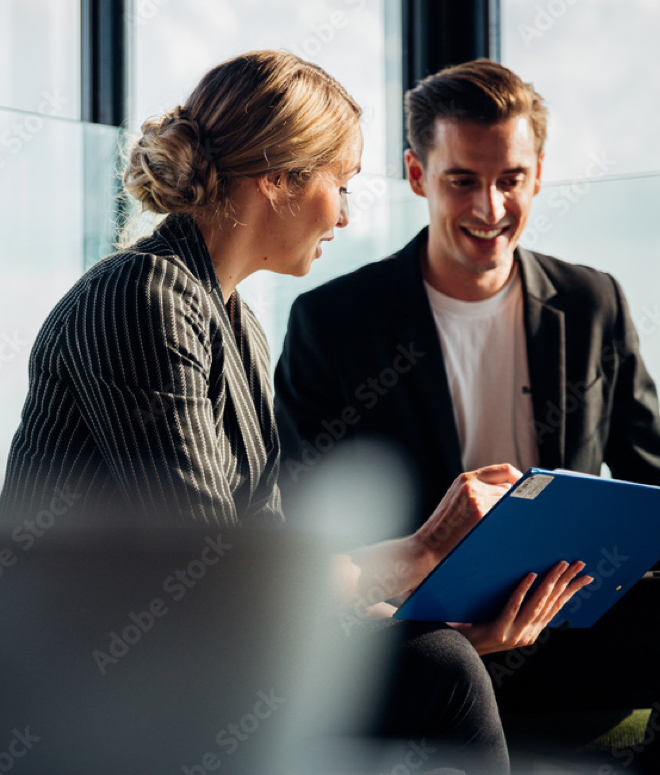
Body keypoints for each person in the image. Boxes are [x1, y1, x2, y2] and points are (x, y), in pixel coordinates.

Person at [0, 51, 591, 774]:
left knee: (440, 657)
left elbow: (271, 572)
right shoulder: (142, 298)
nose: (345, 213)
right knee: (438, 672)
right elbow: (220, 584)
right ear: (276, 179)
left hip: (191, 662)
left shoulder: (235, 325)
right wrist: (427, 547)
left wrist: (432, 610)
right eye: (339, 184)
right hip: (92, 687)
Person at [273, 58, 660, 766]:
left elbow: (651, 475)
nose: (490, 208)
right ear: (418, 175)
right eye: (462, 181)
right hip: (424, 645)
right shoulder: (333, 322)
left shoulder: (593, 302)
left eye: (510, 179)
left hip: (570, 630)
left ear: (537, 174)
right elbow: (306, 522)